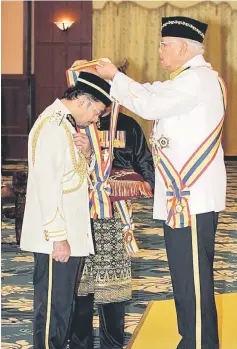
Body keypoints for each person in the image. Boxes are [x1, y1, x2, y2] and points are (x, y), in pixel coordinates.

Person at [95, 16, 227, 349]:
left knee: (192, 280)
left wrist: (116, 77)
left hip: (191, 198)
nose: (159, 51)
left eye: (164, 44)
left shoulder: (196, 81)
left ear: (183, 47)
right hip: (184, 197)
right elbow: (152, 93)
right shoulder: (189, 79)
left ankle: (199, 344)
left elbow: (149, 102)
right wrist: (117, 82)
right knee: (185, 278)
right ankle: (193, 340)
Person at [20, 72, 113, 349]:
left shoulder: (65, 126)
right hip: (56, 239)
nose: (96, 120)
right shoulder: (51, 126)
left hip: (69, 236)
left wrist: (85, 156)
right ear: (83, 101)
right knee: (51, 311)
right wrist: (58, 237)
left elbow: (70, 178)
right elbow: (47, 185)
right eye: (96, 112)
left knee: (63, 307)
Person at [69, 67, 154, 349]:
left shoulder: (128, 126)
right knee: (79, 289)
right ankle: (80, 343)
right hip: (78, 216)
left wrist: (123, 180)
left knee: (113, 291)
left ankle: (112, 344)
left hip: (114, 219)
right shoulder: (73, 123)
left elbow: (146, 171)